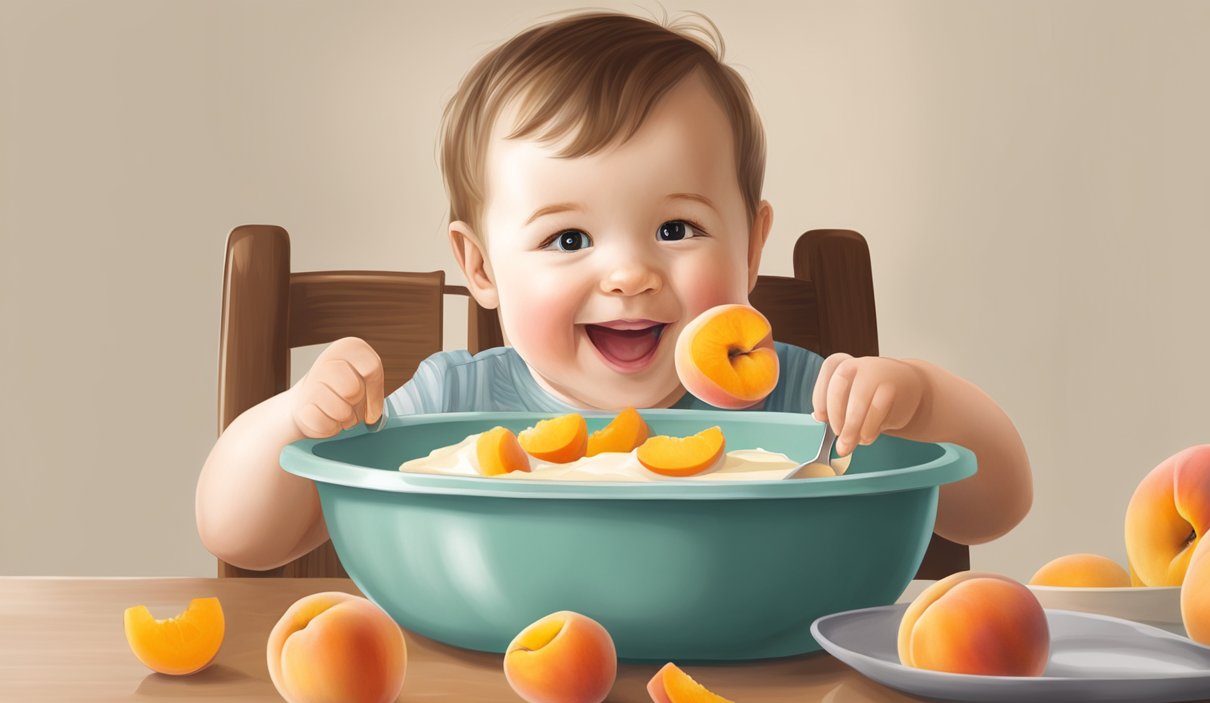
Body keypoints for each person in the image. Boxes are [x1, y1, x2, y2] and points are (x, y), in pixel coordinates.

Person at [197, 10, 1032, 572]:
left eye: (676, 230)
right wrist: (296, 417)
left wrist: (920, 399)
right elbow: (241, 538)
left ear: (752, 250)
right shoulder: (451, 411)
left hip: (772, 701)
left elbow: (996, 506)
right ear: (481, 267)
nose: (629, 274)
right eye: (568, 239)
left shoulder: (805, 408)